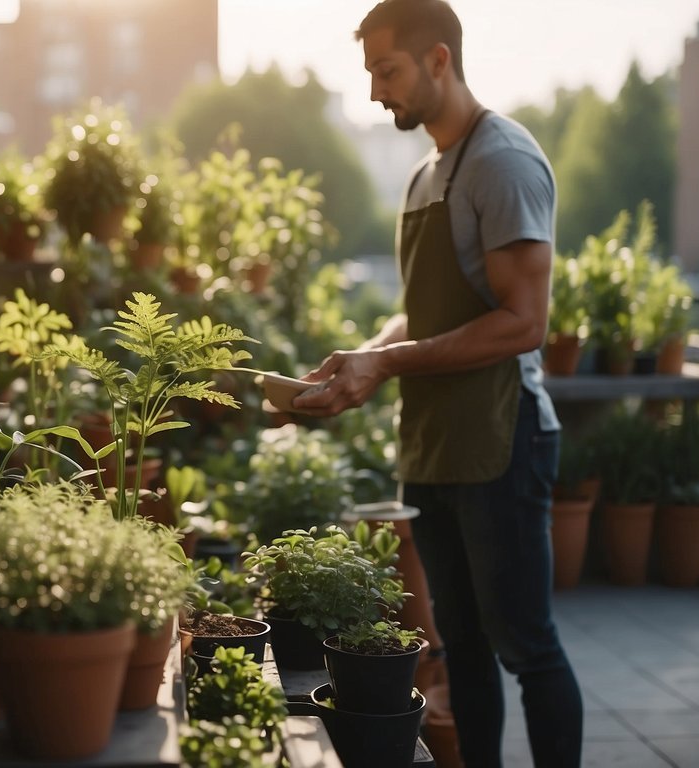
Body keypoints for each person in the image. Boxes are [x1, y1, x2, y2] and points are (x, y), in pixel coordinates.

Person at [290, 1, 583, 766]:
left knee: (527, 645)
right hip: (436, 444)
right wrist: (361, 356)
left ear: (440, 60)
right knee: (460, 646)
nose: (376, 92)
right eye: (371, 74)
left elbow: (524, 322)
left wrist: (386, 363)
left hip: (502, 440)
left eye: (387, 71)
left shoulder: (503, 161)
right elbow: (418, 315)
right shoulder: (424, 174)